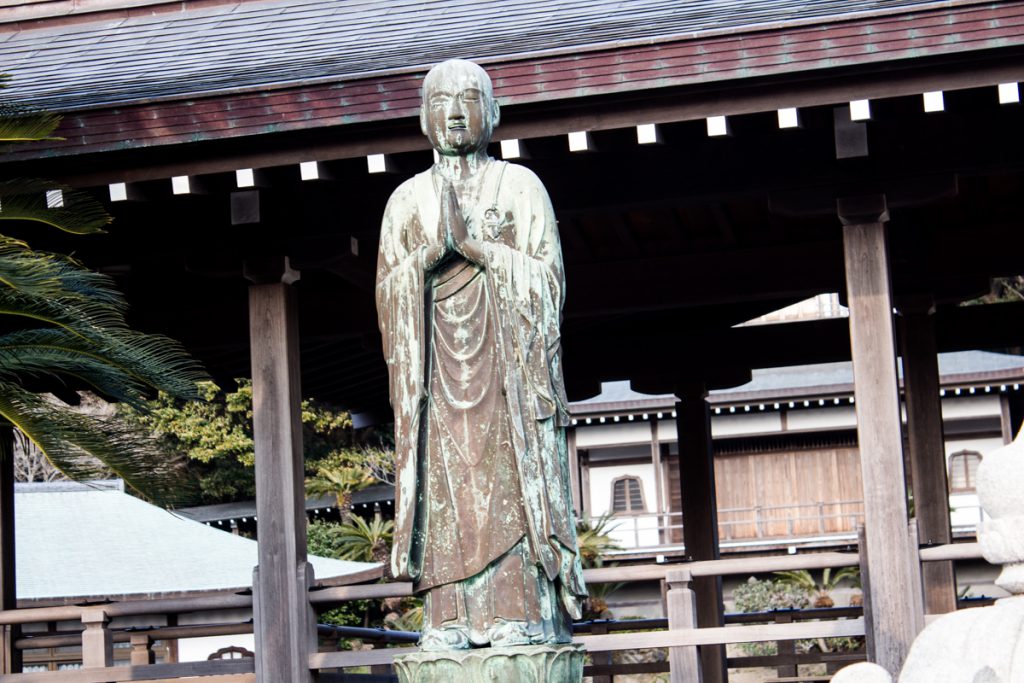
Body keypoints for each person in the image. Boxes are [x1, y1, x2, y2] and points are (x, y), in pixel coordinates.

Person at [375, 59, 586, 651]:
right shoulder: (406, 200)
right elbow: (388, 292)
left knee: (509, 481)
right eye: (442, 101)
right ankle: (447, 618)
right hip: (435, 377)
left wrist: (483, 251)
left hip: (507, 370)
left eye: (470, 98)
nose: (457, 113)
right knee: (443, 492)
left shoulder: (520, 186)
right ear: (424, 117)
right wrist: (428, 258)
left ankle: (516, 612)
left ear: (493, 113)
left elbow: (550, 280)